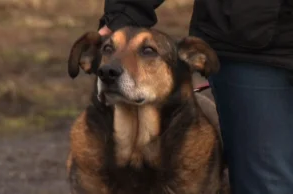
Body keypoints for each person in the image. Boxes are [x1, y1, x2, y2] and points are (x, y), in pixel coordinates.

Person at [97, 0, 293, 193]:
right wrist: (125, 10)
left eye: (148, 51)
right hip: (248, 43)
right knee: (268, 183)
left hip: (249, 40)